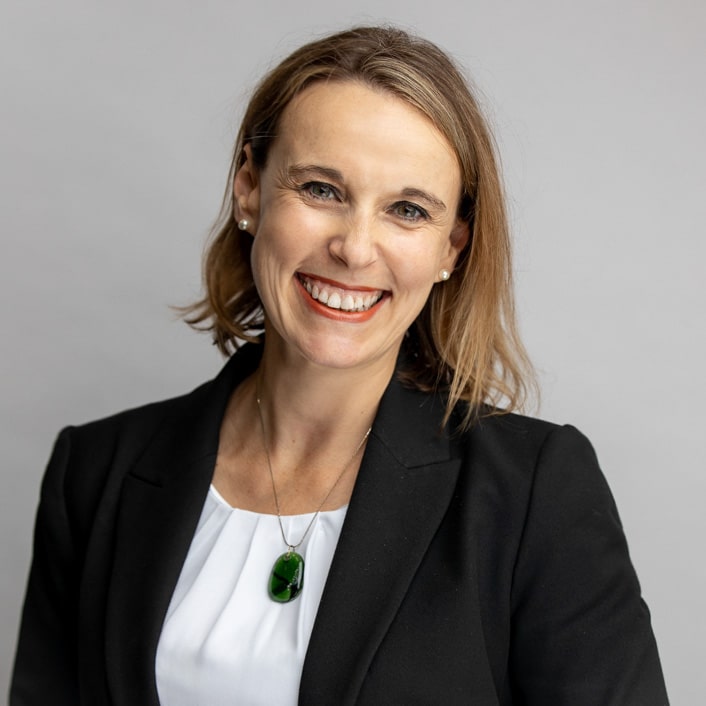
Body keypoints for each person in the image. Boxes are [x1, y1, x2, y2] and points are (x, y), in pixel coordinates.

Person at [10, 25, 668, 706]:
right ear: (249, 189)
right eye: (322, 189)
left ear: (452, 247)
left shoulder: (534, 493)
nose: (355, 249)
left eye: (407, 210)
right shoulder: (95, 474)